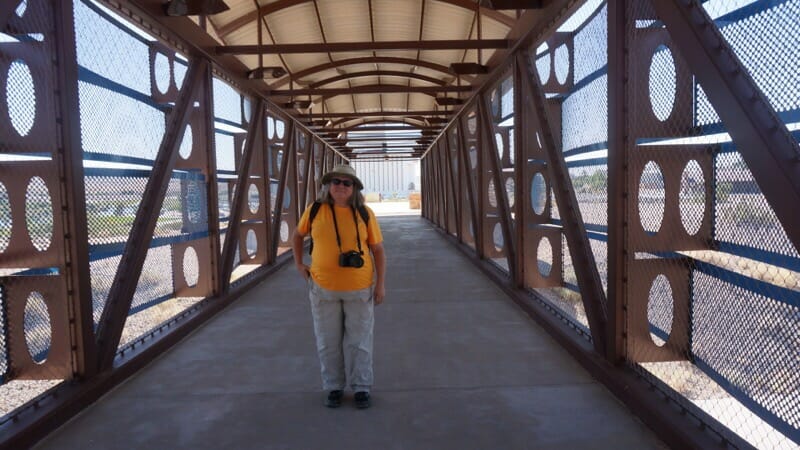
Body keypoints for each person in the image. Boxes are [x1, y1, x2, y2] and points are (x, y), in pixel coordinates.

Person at [291, 164, 386, 409]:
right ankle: (333, 387)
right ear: (328, 185)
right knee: (327, 341)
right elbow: (297, 236)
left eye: (347, 183)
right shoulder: (314, 211)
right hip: (323, 289)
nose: (341, 187)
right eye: (336, 182)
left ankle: (362, 388)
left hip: (360, 288)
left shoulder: (365, 213)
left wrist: (381, 284)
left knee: (360, 342)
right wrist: (299, 264)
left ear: (354, 188)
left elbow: (377, 250)